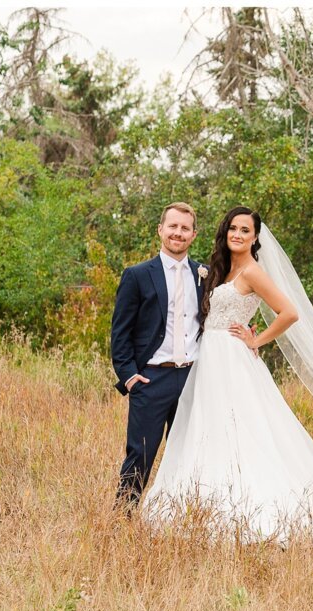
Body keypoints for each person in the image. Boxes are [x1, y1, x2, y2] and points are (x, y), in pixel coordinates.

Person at [140, 206, 313, 545]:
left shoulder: (253, 271)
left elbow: (289, 313)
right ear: (225, 232)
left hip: (232, 358)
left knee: (239, 426)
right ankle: (201, 499)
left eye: (245, 230)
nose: (237, 235)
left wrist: (257, 340)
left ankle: (248, 500)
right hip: (207, 358)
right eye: (233, 228)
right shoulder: (221, 269)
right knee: (209, 427)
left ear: (255, 238)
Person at [111, 201, 205, 512]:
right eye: (173, 226)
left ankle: (183, 519)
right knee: (140, 453)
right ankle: (122, 518)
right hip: (151, 379)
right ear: (160, 230)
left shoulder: (205, 275)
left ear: (193, 235)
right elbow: (120, 333)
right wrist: (129, 377)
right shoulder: (137, 275)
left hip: (192, 378)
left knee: (191, 454)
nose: (178, 233)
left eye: (185, 228)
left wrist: (249, 337)